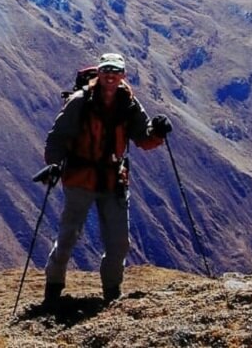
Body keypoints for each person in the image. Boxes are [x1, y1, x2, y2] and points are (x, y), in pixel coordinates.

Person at [40, 52, 172, 306]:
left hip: (113, 180)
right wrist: (54, 164)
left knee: (119, 241)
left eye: (115, 71)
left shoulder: (129, 103)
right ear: (99, 73)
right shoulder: (80, 101)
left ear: (123, 75)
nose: (110, 75)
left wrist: (157, 132)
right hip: (81, 177)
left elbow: (143, 138)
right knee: (68, 236)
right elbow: (57, 136)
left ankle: (112, 292)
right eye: (106, 70)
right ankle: (53, 290)